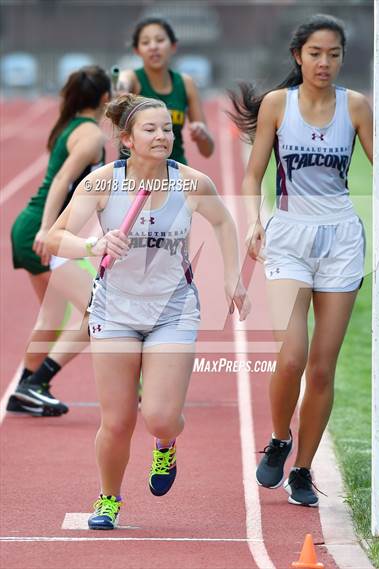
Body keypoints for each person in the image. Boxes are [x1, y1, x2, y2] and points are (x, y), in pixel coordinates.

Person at [46, 94, 250, 529]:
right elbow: (55, 237)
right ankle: (108, 499)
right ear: (126, 140)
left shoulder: (191, 182)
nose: (162, 136)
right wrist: (92, 245)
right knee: (117, 421)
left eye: (167, 129)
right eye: (150, 129)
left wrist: (234, 277)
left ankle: (166, 443)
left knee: (159, 416)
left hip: (172, 310)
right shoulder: (102, 183)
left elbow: (223, 222)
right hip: (115, 311)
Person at [229, 14, 379, 507]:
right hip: (287, 237)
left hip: (342, 240)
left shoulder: (358, 106)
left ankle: (301, 468)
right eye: (315, 54)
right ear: (297, 57)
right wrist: (256, 219)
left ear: (343, 58)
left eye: (334, 54)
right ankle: (280, 437)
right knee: (292, 357)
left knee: (322, 370)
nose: (324, 63)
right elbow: (252, 174)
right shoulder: (278, 106)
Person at [8, 65, 111, 416]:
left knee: (52, 316)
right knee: (99, 312)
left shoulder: (72, 126)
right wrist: (46, 230)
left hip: (32, 227)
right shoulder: (91, 135)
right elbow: (62, 180)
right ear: (104, 99)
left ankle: (25, 390)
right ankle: (35, 382)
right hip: (43, 231)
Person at [118, 16, 214, 163]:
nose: (153, 47)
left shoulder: (186, 83)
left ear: (173, 46)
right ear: (137, 50)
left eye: (160, 40)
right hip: (135, 174)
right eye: (145, 42)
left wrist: (202, 134)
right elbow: (122, 82)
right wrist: (121, 88)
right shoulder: (133, 79)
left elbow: (207, 151)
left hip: (174, 170)